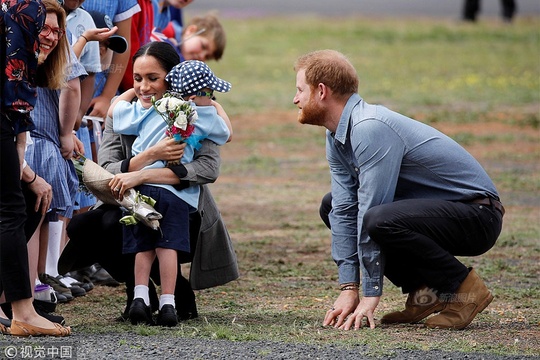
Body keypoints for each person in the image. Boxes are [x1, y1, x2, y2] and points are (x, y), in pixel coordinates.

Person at [293, 50, 504, 331]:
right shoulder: (336, 135)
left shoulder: (370, 127)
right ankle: (425, 293)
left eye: (299, 90)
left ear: (321, 91)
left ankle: (465, 291)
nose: (295, 99)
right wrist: (349, 287)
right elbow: (344, 208)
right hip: (439, 213)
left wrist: (370, 295)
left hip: (477, 215)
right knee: (332, 205)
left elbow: (371, 209)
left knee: (378, 219)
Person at [108, 44, 231, 327]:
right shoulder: (202, 114)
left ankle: (139, 298)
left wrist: (127, 91)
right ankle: (168, 304)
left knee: (142, 245)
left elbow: (115, 114)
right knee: (167, 247)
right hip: (177, 194)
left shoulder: (150, 108)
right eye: (137, 78)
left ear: (170, 80)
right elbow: (227, 134)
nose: (143, 87)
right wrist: (215, 105)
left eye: (152, 78)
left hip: (141, 192)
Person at [0, 0, 71, 337]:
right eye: (44, 29)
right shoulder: (22, 8)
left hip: (7, 121)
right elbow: (15, 76)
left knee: (22, 204)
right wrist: (27, 172)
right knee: (11, 210)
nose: (50, 36)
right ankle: (23, 311)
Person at [151, 13, 226, 63]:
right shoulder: (163, 30)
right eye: (203, 46)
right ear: (191, 30)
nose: (202, 56)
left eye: (207, 57)